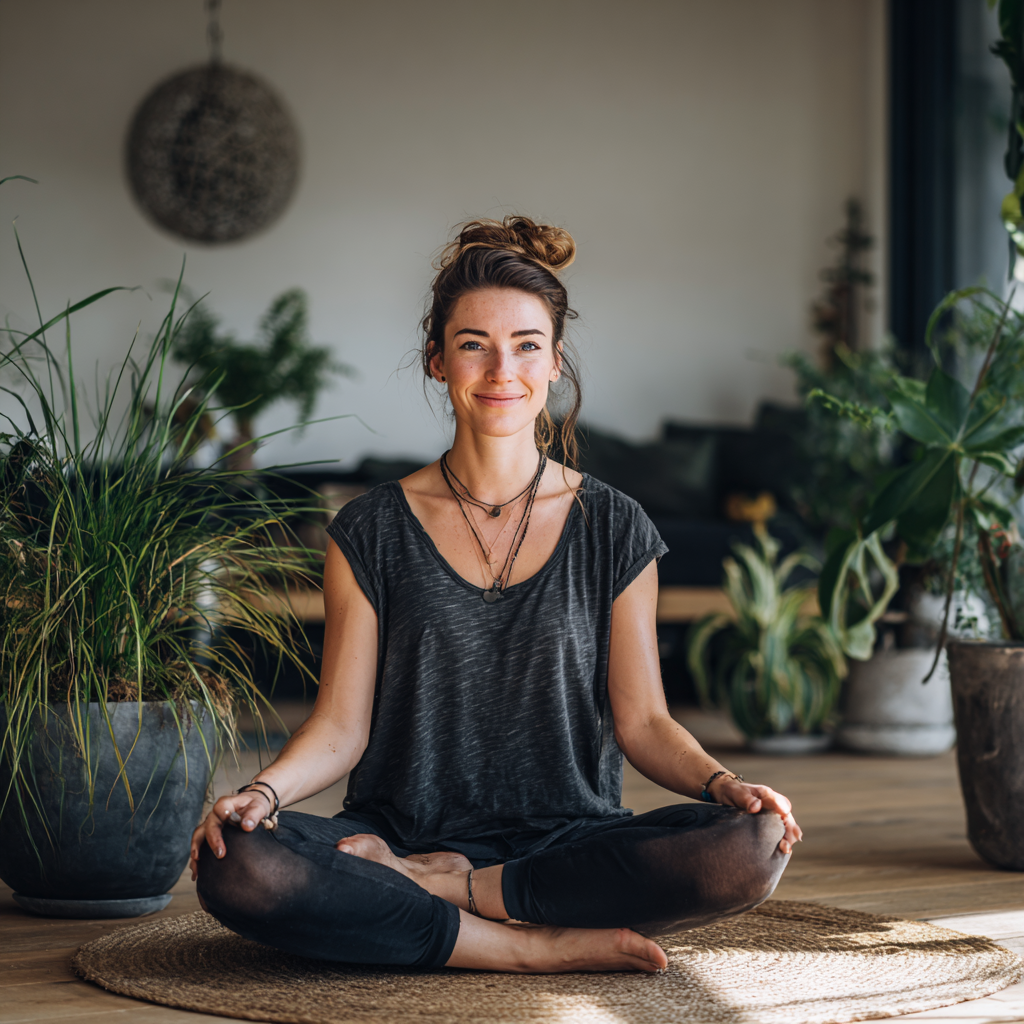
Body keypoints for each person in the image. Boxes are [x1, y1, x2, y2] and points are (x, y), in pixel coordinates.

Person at [190, 216, 801, 974]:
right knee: (238, 861)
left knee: (751, 844)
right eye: (473, 343)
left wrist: (727, 784)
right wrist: (262, 794)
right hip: (397, 833)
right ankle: (518, 944)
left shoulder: (614, 525)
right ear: (437, 361)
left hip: (566, 839)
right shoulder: (370, 529)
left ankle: (450, 897)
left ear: (554, 363)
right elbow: (341, 727)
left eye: (526, 345)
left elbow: (642, 721)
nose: (500, 369)